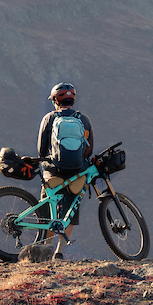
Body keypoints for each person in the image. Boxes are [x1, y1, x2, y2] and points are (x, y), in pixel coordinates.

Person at [37, 82, 93, 259]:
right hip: (77, 173)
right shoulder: (83, 120)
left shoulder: (49, 118)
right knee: (70, 210)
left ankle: (46, 247)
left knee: (46, 208)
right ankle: (59, 252)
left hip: (53, 173)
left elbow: (41, 149)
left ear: (55, 100)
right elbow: (88, 149)